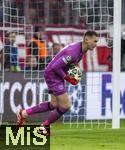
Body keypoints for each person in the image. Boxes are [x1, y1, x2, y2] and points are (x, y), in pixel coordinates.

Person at [17, 30, 98, 135]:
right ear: (87, 39)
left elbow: (69, 64)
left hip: (54, 73)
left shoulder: (82, 49)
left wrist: (74, 72)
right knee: (66, 105)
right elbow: (55, 67)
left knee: (54, 104)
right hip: (53, 74)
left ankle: (24, 114)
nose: (96, 44)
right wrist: (67, 78)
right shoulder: (73, 52)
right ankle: (44, 126)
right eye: (95, 41)